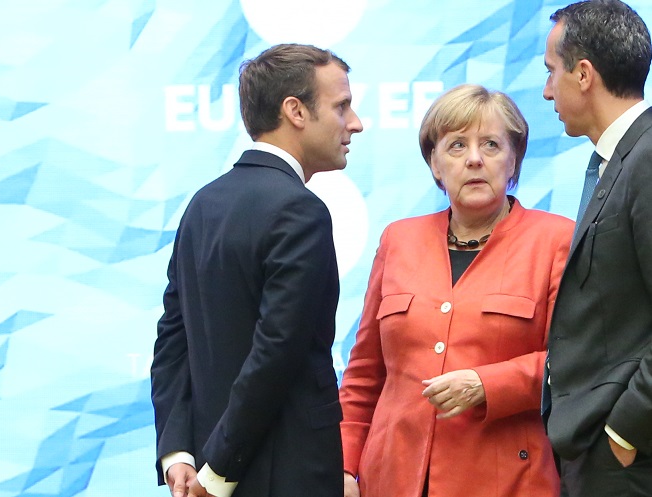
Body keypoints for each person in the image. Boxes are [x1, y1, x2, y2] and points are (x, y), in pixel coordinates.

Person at [338, 84, 573, 497]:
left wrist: (490, 384)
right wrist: (342, 466)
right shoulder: (398, 240)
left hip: (507, 480)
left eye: (491, 145)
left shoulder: (556, 239)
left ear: (514, 158)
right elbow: (364, 376)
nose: (475, 159)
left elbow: (576, 363)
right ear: (435, 164)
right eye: (457, 145)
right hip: (392, 478)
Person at [150, 43, 363, 497]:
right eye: (341, 106)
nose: (355, 123)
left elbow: (172, 338)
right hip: (283, 476)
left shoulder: (203, 204)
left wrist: (179, 455)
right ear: (296, 111)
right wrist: (218, 471)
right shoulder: (300, 211)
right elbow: (276, 354)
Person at [542, 1, 652, 495]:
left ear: (583, 74)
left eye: (551, 72)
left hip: (630, 458)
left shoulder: (647, 160)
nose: (547, 91)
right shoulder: (623, 159)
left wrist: (626, 429)